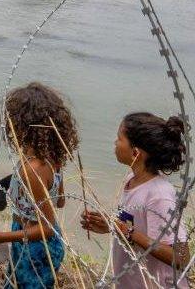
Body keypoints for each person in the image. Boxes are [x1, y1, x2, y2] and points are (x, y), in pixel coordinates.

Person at [0, 82, 79, 288]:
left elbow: (46, 228)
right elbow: (59, 202)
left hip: (36, 248)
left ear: (21, 125)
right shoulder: (53, 158)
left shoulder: (32, 170)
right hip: (34, 242)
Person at [81, 113, 190, 288]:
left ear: (135, 152)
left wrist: (127, 232)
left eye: (119, 139)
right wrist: (110, 226)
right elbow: (133, 226)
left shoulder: (159, 194)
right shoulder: (131, 180)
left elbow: (181, 257)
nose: (115, 143)